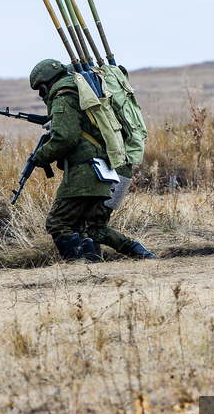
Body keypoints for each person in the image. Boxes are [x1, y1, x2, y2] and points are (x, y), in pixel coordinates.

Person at [28, 59, 154, 262]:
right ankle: (95, 268)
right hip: (108, 167)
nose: (42, 96)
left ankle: (83, 268)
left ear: (47, 83)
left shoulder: (64, 96)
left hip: (87, 171)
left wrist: (40, 155)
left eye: (41, 90)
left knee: (58, 222)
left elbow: (65, 138)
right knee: (85, 226)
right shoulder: (82, 92)